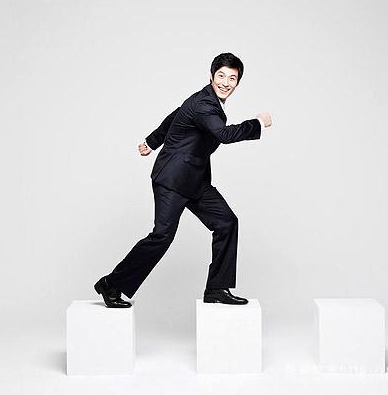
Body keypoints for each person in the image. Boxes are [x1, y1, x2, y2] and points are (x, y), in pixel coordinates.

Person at [94, 52, 272, 307]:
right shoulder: (204, 104)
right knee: (162, 236)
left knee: (227, 223)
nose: (225, 82)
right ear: (211, 76)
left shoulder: (205, 100)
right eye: (221, 76)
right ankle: (111, 284)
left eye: (232, 78)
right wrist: (258, 123)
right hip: (172, 179)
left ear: (237, 82)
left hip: (195, 180)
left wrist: (152, 141)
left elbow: (173, 116)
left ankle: (217, 289)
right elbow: (223, 134)